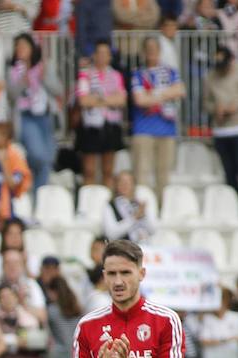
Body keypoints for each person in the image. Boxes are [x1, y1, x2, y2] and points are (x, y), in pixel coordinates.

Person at [130, 37, 184, 199]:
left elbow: (180, 91)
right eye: (149, 49)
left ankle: (163, 209)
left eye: (155, 49)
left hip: (167, 129)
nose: (152, 52)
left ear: (160, 51)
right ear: (144, 52)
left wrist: (153, 94)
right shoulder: (138, 74)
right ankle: (143, 210)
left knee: (164, 175)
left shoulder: (170, 72)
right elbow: (140, 100)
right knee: (142, 174)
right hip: (143, 130)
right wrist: (165, 94)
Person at [7, 34, 60, 190]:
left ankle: (39, 196)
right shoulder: (12, 71)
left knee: (48, 158)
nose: (20, 49)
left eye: (24, 46)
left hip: (45, 116)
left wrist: (45, 79)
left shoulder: (44, 67)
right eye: (18, 46)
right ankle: (35, 193)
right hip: (26, 117)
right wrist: (22, 82)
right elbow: (11, 96)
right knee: (38, 156)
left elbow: (58, 90)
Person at [76, 41, 128, 191]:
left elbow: (121, 100)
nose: (102, 56)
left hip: (110, 124)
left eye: (106, 53)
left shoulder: (116, 75)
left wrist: (98, 99)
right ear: (94, 55)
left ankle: (106, 200)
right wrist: (108, 98)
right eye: (99, 53)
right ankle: (88, 201)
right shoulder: (86, 74)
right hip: (91, 125)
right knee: (89, 169)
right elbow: (83, 100)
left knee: (108, 170)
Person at [205, 46, 238, 196]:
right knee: (229, 172)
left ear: (231, 61)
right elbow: (206, 103)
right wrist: (216, 109)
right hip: (221, 130)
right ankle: (236, 203)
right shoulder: (210, 77)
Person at [103, 171, 156, 244]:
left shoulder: (139, 203)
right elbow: (111, 234)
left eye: (128, 182)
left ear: (134, 185)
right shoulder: (110, 206)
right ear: (116, 185)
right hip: (123, 249)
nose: (125, 185)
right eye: (121, 182)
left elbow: (153, 230)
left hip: (145, 247)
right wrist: (134, 218)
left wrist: (144, 216)